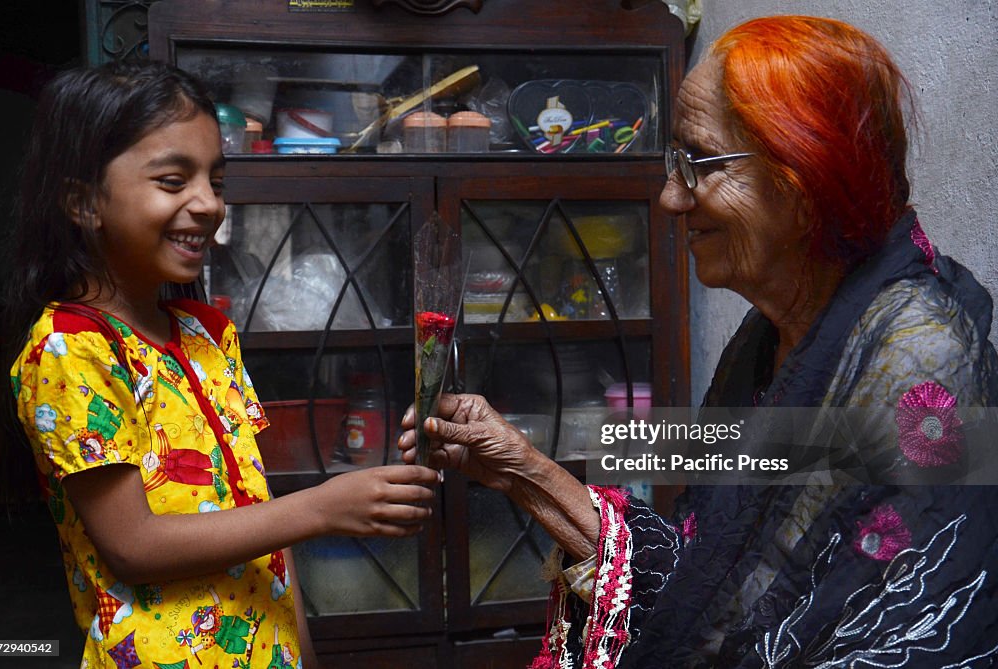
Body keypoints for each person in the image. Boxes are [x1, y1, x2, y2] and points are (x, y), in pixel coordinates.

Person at [399, 16, 998, 668]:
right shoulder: (764, 343)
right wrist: (521, 468)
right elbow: (703, 581)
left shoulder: (923, 366)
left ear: (802, 184)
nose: (669, 198)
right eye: (670, 162)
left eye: (697, 163)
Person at [4, 61, 439, 669]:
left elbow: (259, 521)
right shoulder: (70, 348)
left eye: (217, 180)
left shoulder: (208, 334)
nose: (208, 204)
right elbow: (134, 546)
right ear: (83, 202)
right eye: (173, 180)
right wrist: (321, 507)